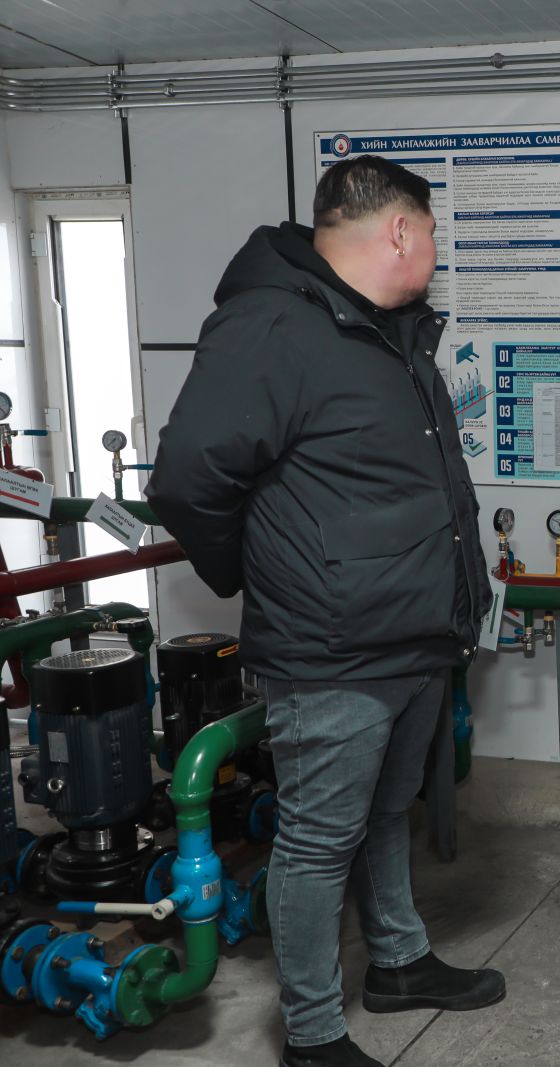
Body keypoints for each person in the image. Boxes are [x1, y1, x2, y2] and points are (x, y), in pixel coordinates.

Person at [148, 155, 503, 1067]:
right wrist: (258, 571)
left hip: (411, 635)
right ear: (400, 230)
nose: (434, 250)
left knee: (386, 813)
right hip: (333, 648)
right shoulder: (273, 325)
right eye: (432, 232)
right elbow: (186, 477)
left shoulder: (383, 329)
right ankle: (312, 1035)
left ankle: (398, 960)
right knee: (315, 841)